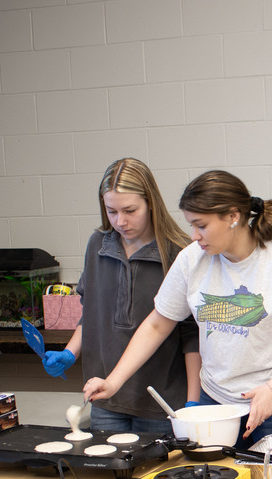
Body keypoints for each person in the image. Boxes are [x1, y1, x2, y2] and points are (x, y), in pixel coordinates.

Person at [84, 170, 272, 446]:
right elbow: (157, 325)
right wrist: (114, 381)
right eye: (191, 225)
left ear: (232, 216)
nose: (194, 236)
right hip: (216, 403)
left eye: (201, 225)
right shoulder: (192, 260)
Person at [41, 158, 201, 433]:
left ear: (150, 202)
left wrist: (193, 401)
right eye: (111, 211)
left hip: (161, 403)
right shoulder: (98, 245)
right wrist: (69, 352)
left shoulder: (179, 253)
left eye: (130, 210)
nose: (120, 221)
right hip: (106, 398)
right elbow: (90, 314)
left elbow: (191, 335)